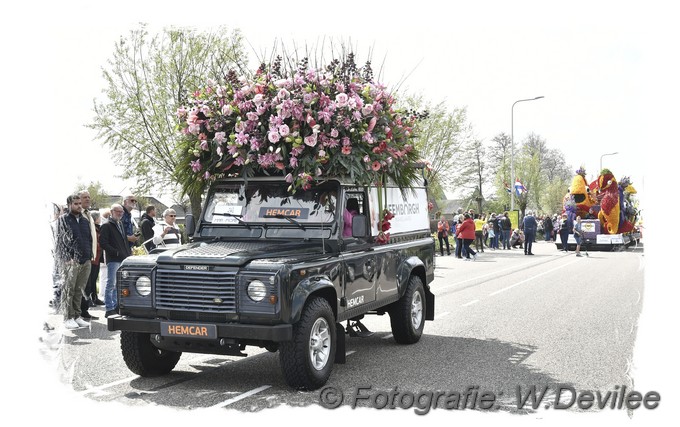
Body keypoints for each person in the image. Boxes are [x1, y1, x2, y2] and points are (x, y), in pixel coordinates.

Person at [56, 194, 93, 329]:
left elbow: (89, 239)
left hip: (85, 260)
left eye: (79, 203)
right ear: (69, 205)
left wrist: (89, 256)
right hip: (70, 261)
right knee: (68, 290)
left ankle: (77, 316)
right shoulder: (63, 220)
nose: (79, 206)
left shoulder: (84, 220)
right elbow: (60, 241)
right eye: (76, 204)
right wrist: (66, 258)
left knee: (79, 290)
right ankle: (68, 317)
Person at [100, 204, 132, 317]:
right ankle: (109, 308)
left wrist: (128, 254)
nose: (120, 214)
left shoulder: (120, 224)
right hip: (113, 259)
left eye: (121, 212)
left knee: (119, 284)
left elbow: (124, 241)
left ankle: (116, 306)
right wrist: (116, 252)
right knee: (111, 284)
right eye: (117, 211)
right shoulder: (106, 226)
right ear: (112, 212)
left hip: (123, 259)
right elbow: (103, 243)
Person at [78, 190, 100, 319]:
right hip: (81, 256)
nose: (87, 199)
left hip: (91, 255)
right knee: (81, 286)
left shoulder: (89, 215)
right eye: (84, 197)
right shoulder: (78, 215)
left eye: (88, 197)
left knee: (89, 284)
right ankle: (79, 312)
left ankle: (84, 310)